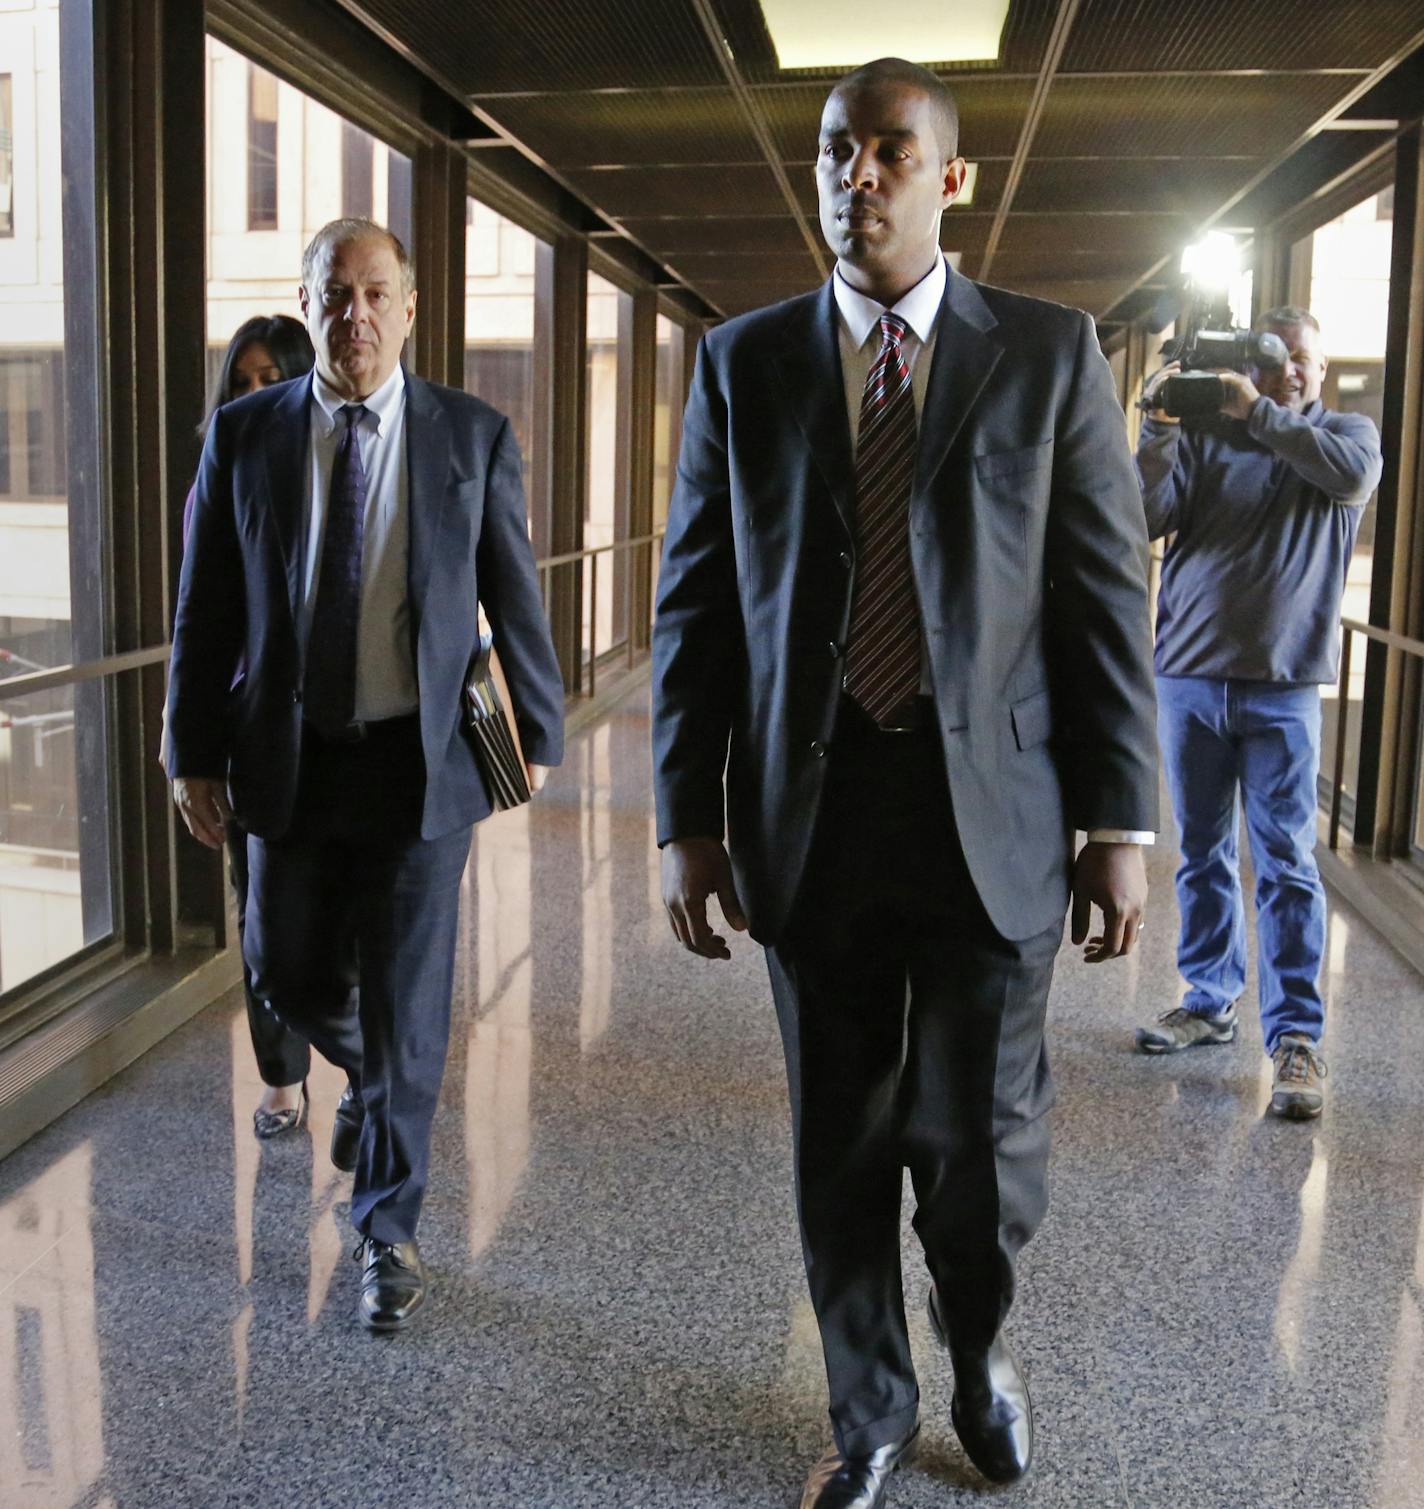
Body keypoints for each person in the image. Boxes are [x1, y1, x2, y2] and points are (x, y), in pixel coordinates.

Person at [652, 57, 1157, 1505]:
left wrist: (1120, 822)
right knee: (845, 1137)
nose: (854, 176)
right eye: (834, 150)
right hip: (814, 817)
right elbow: (697, 610)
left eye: (887, 151)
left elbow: (1100, 609)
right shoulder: (746, 363)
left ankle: (979, 1340)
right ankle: (869, 1407)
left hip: (995, 817)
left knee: (981, 1152)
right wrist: (688, 819)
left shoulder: (1050, 357)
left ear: (954, 178)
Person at [165, 218, 563, 1331]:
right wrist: (189, 751)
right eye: (334, 296)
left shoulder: (467, 434)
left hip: (415, 765)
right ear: (306, 304)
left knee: (405, 1007)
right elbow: (204, 612)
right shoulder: (245, 436)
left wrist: (537, 728)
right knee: (281, 968)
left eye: (376, 293)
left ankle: (386, 1233)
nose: (356, 317)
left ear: (410, 306)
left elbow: (512, 595)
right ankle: (376, 1083)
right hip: (286, 757)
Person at [1134, 307, 1383, 1120]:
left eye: (1303, 358)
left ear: (1317, 364)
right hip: (1190, 675)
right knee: (1201, 851)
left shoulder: (1345, 435)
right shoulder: (1209, 437)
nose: (1292, 372)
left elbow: (1348, 480)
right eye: (1275, 361)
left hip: (1282, 686)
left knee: (1285, 863)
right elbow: (1145, 515)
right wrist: (1160, 423)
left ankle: (1296, 1040)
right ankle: (1209, 999)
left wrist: (1256, 412)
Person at [187, 315, 321, 1141]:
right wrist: (189, 739)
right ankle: (282, 1075)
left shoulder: (337, 457)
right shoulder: (225, 462)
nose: (253, 395)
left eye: (271, 376)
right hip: (250, 727)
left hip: (339, 727)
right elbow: (196, 613)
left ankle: (357, 1065)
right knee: (262, 915)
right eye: (240, 382)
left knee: (340, 913)